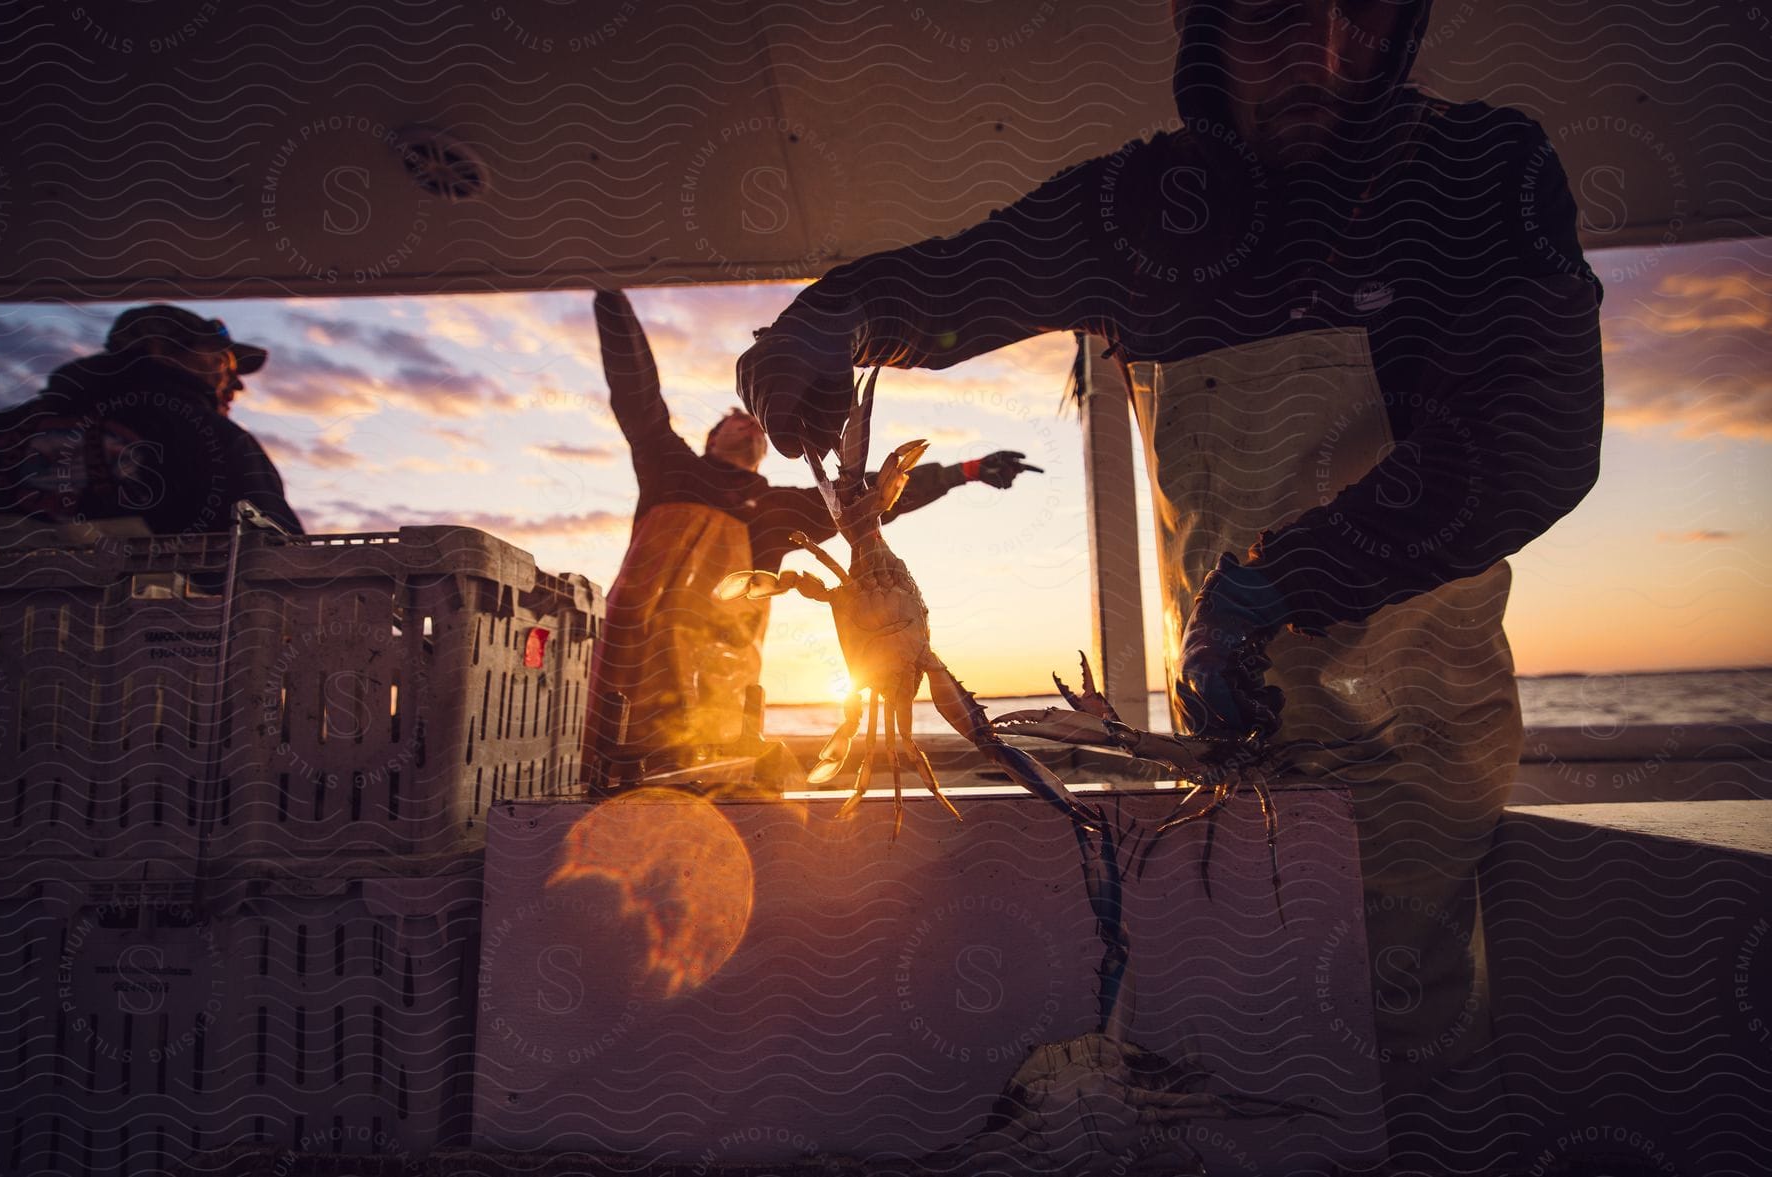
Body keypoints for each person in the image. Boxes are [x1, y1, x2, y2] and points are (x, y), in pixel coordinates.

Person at [735, 0, 1603, 1168]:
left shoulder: (1478, 169)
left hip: (1413, 752)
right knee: (1225, 1076)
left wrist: (1276, 582)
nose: (1318, 52)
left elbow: (1534, 438)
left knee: (1406, 1085)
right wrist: (835, 313)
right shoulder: (1140, 211)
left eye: (1358, 14)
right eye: (1276, 17)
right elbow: (964, 275)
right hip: (1222, 748)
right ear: (1208, 33)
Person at [588, 288, 1038, 772]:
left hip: (721, 685)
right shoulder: (669, 467)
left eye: (758, 427)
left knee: (711, 774)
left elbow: (868, 499)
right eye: (736, 421)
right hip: (633, 665)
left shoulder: (778, 511)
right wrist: (611, 295)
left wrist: (962, 471)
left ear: (766, 449)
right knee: (619, 771)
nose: (751, 428)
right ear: (712, 437)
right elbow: (638, 396)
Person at [0, 303, 303, 545]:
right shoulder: (216, 439)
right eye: (221, 361)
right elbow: (278, 556)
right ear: (158, 350)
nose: (236, 384)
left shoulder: (0, 429)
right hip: (167, 636)